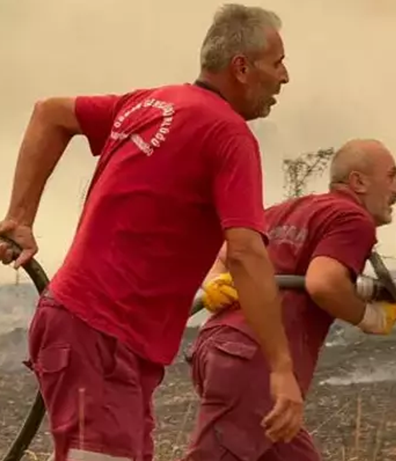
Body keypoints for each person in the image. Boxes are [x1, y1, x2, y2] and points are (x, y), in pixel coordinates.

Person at [0, 5, 305, 461]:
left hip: (99, 332)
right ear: (241, 67)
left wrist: (20, 216)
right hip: (99, 331)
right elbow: (245, 254)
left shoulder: (151, 103)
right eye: (278, 63)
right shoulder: (229, 136)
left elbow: (51, 114)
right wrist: (282, 367)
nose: (285, 77)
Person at [182, 139, 396, 461]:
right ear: (358, 181)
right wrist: (372, 317)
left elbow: (223, 256)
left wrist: (215, 283)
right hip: (253, 360)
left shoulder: (283, 212)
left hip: (222, 348)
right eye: (392, 175)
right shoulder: (351, 218)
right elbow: (323, 283)